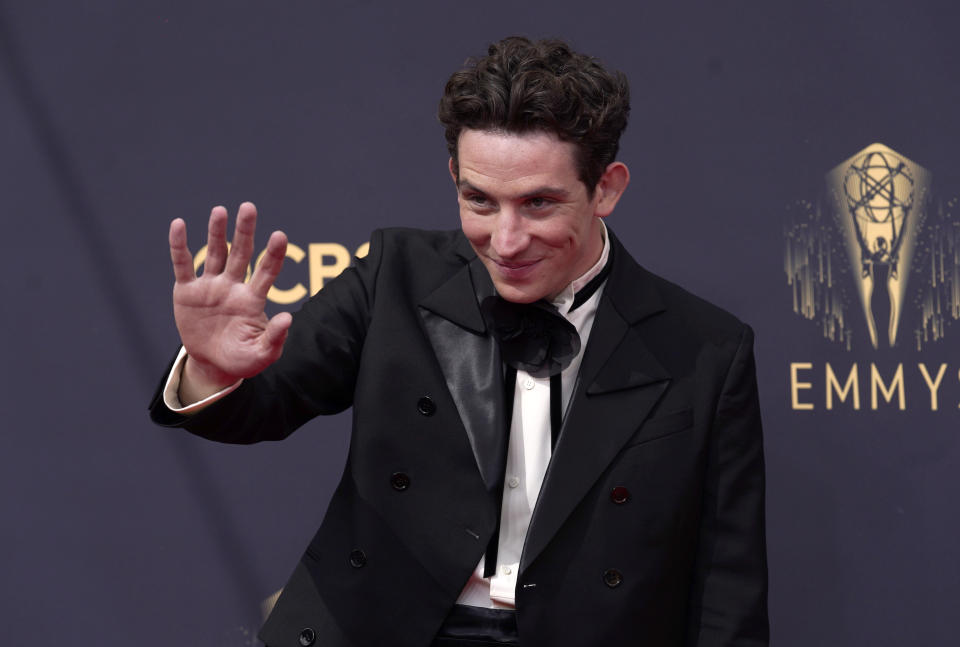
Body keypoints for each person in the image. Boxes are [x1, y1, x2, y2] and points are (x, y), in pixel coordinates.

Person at [150, 36, 768, 647]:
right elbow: (269, 403)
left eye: (539, 204)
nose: (505, 240)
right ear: (454, 176)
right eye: (480, 201)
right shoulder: (395, 274)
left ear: (606, 188)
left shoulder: (705, 349)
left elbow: (726, 584)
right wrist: (212, 369)